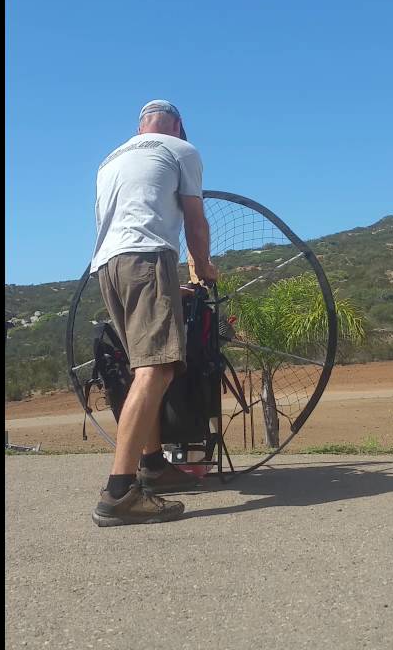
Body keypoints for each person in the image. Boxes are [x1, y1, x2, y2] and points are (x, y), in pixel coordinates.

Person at [88, 99, 218, 527]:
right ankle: (119, 492)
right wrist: (202, 265)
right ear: (177, 126)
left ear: (140, 126)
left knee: (141, 364)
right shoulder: (181, 149)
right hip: (146, 258)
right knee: (157, 369)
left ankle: (154, 466)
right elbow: (195, 219)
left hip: (108, 266)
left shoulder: (112, 158)